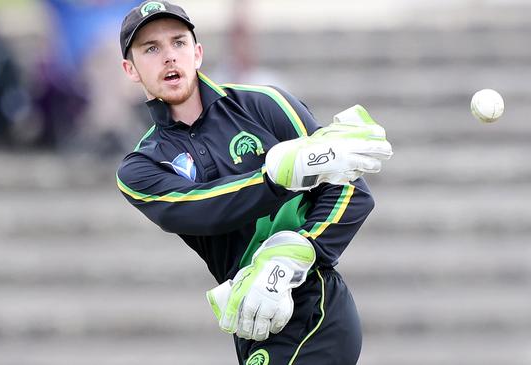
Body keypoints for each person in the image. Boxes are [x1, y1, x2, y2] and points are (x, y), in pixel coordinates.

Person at [115, 1, 392, 364]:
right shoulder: (140, 167)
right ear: (130, 69)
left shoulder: (266, 103)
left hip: (313, 301)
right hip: (251, 318)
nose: (169, 57)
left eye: (178, 43)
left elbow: (352, 191)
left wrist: (295, 253)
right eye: (151, 49)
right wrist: (275, 179)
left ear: (197, 53)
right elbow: (202, 208)